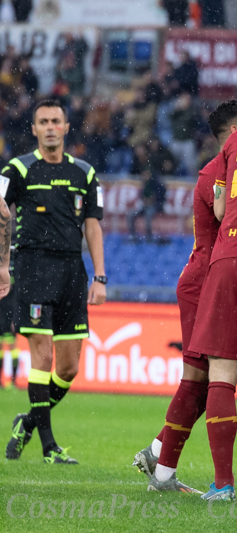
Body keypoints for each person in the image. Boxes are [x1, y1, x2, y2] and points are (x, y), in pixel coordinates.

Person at [131, 99, 237, 493]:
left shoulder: (232, 167)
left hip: (216, 279)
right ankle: (162, 468)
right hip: (207, 283)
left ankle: (159, 457)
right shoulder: (223, 171)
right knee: (199, 380)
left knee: (206, 382)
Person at [4, 100, 106, 465]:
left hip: (71, 273)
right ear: (33, 129)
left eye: (56, 121)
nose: (49, 127)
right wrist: (3, 265)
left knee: (68, 368)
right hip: (31, 267)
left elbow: (93, 224)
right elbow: (0, 213)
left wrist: (100, 276)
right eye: (43, 121)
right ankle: (49, 447)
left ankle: (27, 423)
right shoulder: (17, 169)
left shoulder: (85, 173)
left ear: (66, 127)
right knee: (42, 356)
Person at [126, 170, 166, 240]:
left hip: (155, 206)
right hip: (145, 206)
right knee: (131, 214)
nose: (144, 177)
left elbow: (160, 197)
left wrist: (153, 201)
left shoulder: (156, 185)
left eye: (146, 175)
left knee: (148, 214)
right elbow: (142, 197)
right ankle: (133, 235)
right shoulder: (144, 186)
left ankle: (149, 236)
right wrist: (145, 201)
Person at [0, 254, 16, 388]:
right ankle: (1, 381)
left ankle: (14, 380)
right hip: (1, 313)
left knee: (12, 347)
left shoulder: (15, 270)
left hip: (10, 314)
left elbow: (17, 296)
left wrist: (16, 317)